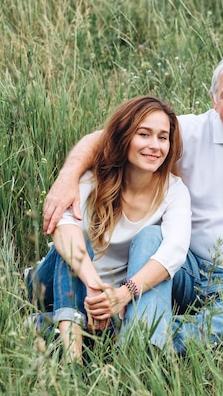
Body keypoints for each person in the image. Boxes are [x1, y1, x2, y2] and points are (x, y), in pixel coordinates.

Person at [41, 54, 223, 355]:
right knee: (152, 238)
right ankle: (140, 344)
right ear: (213, 100)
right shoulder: (186, 131)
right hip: (185, 264)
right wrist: (67, 177)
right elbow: (109, 137)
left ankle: (133, 339)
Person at [29, 95, 191, 361]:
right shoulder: (93, 177)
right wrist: (95, 287)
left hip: (113, 295)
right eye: (144, 134)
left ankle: (43, 325)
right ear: (125, 136)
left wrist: (122, 295)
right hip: (56, 279)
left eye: (163, 137)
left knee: (117, 321)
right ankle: (72, 360)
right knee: (78, 243)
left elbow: (175, 250)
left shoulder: (173, 190)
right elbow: (64, 228)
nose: (154, 145)